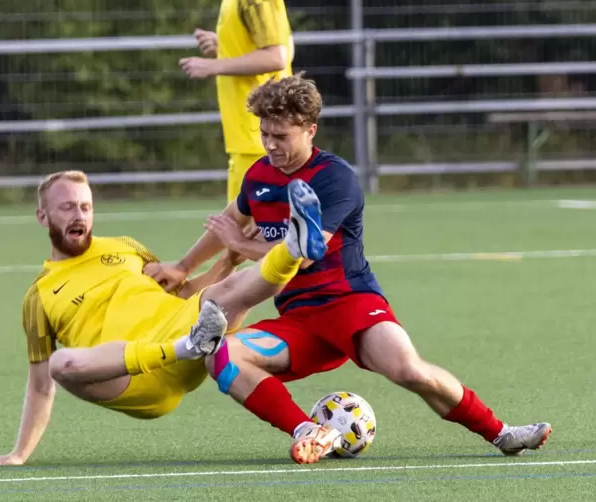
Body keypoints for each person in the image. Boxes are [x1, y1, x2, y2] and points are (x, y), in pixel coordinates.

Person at [152, 73, 552, 464]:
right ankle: (310, 432)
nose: (270, 145)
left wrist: (240, 246)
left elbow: (304, 253)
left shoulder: (333, 178)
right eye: (265, 134)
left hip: (351, 304)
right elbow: (230, 222)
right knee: (221, 356)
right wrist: (184, 265)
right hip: (299, 319)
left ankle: (502, 433)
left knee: (409, 371)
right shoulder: (258, 176)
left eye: (281, 136)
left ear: (310, 130)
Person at [0, 169, 327, 467]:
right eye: (66, 208)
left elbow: (184, 293)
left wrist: (228, 261)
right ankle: (189, 347)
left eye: (85, 207)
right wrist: (19, 454)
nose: (78, 216)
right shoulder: (38, 296)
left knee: (230, 288)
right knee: (61, 364)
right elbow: (40, 385)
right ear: (43, 216)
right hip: (135, 379)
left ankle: (293, 248)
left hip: (182, 328)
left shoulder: (126, 246)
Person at [178, 0, 294, 203]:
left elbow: (277, 57)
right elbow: (283, 47)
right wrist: (225, 47)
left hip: (260, 141)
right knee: (239, 232)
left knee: (259, 233)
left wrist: (215, 66)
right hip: (249, 142)